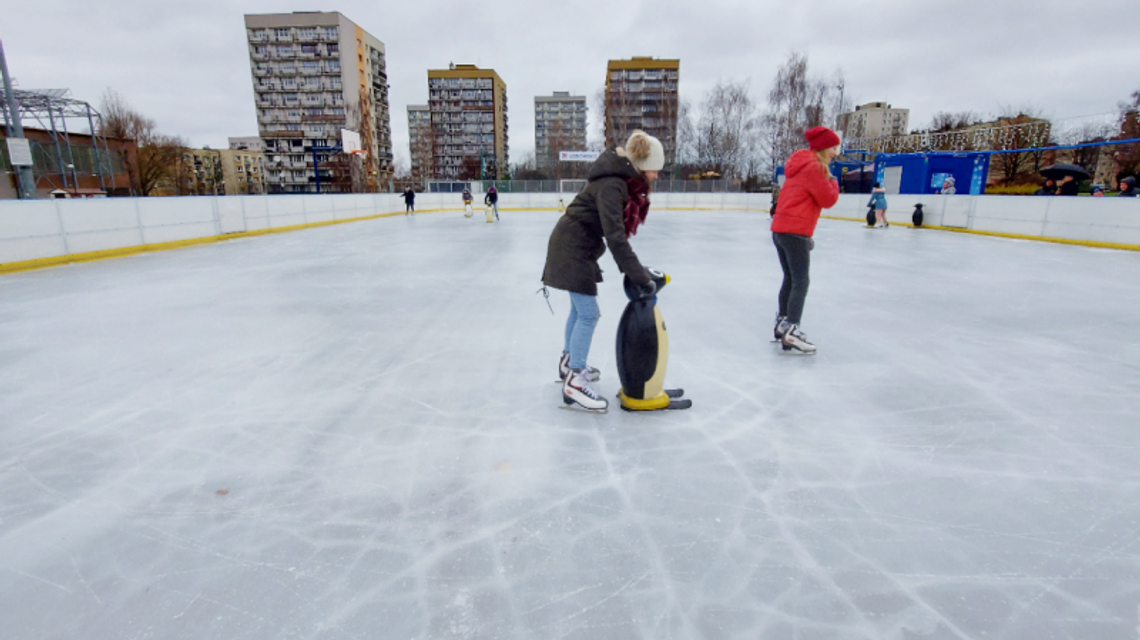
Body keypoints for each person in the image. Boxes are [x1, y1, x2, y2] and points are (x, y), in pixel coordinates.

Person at [541, 130, 663, 411]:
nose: (656, 177)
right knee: (588, 313)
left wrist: (636, 271)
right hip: (573, 249)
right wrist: (640, 277)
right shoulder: (613, 186)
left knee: (578, 311)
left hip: (573, 245)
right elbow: (616, 238)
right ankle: (575, 380)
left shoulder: (615, 181)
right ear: (643, 166)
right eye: (655, 170)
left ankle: (568, 363)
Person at [770, 126, 841, 354]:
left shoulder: (799, 165)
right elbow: (828, 199)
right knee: (801, 281)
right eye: (833, 148)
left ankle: (782, 323)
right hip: (795, 231)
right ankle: (792, 330)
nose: (836, 153)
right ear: (823, 148)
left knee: (790, 278)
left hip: (781, 230)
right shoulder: (816, 168)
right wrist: (833, 181)